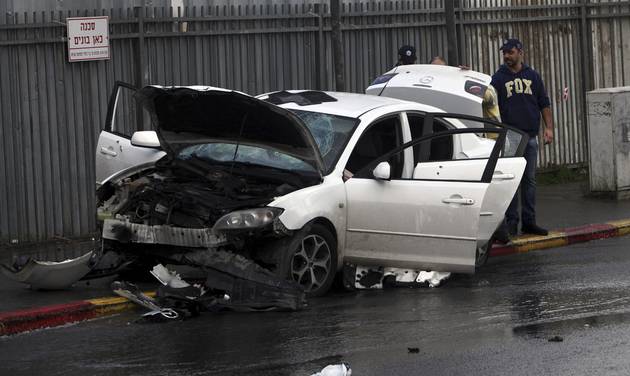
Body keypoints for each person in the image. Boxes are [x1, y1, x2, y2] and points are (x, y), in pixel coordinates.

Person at [491, 38, 553, 237]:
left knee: (529, 181)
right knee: (511, 182)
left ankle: (529, 222)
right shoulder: (498, 79)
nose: (507, 56)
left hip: (530, 136)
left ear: (520, 52)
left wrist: (549, 128)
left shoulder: (533, 76)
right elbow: (488, 102)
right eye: (505, 53)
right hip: (510, 137)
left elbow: (543, 103)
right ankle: (511, 222)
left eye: (510, 52)